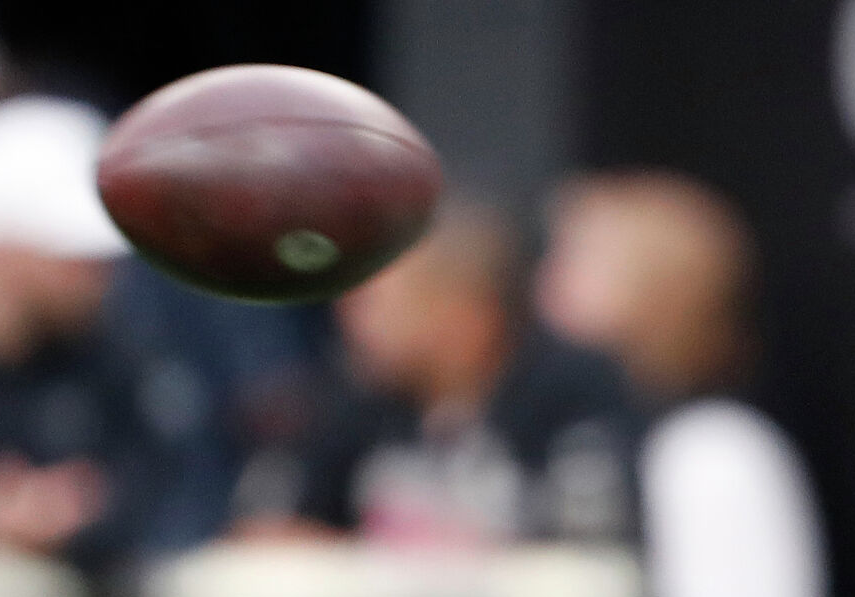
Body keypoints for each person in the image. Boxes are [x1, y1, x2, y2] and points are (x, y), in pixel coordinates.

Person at [536, 170, 828, 597]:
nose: (545, 280)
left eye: (579, 259)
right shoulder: (567, 428)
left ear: (657, 285)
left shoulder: (714, 450)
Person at [235, 199, 635, 546]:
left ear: (466, 319)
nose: (349, 317)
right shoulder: (349, 400)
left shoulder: (574, 391)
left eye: (379, 303)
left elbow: (596, 544)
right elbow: (267, 535)